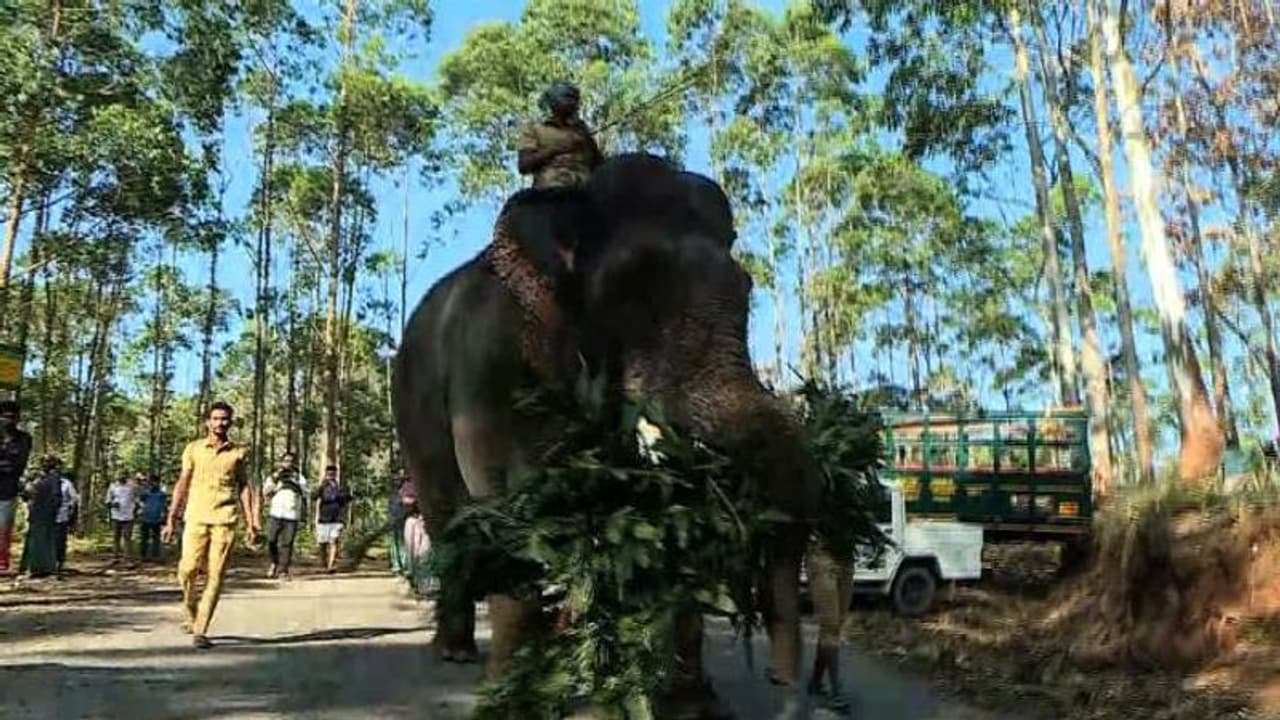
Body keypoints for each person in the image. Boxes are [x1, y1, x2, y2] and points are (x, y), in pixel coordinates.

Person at [163, 400, 257, 650]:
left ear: (231, 422)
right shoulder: (194, 449)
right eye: (215, 418)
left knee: (216, 575)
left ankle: (201, 630)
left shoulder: (238, 453)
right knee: (187, 570)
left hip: (225, 520)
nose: (220, 423)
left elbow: (244, 487)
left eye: (224, 419)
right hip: (195, 517)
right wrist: (171, 518)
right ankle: (190, 610)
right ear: (208, 422)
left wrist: (251, 522)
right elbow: (182, 483)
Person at [516, 81, 603, 189]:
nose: (572, 103)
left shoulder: (581, 130)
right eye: (567, 97)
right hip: (550, 188)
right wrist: (556, 149)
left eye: (575, 99)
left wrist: (586, 138)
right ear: (554, 101)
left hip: (584, 188)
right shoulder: (535, 129)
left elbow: (599, 165)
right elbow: (524, 165)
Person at [262, 450, 307, 580]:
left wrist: (295, 484)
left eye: (291, 461)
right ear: (281, 462)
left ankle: (283, 571)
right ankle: (274, 562)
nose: (288, 463)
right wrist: (277, 483)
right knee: (271, 540)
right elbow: (265, 492)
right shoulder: (274, 476)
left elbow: (305, 493)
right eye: (286, 461)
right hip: (275, 512)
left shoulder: (299, 477)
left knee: (287, 543)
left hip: (291, 514)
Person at [0, 399, 33, 574]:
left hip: (8, 489)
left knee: (4, 526)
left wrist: (7, 466)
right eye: (5, 416)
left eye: (12, 417)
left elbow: (19, 465)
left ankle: (2, 561)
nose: (9, 420)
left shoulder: (24, 439)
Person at [19, 455, 62, 578]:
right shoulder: (41, 478)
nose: (44, 464)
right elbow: (28, 494)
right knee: (35, 538)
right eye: (43, 462)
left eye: (47, 462)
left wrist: (53, 511)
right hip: (37, 513)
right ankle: (32, 566)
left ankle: (42, 567)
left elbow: (56, 497)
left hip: (45, 514)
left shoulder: (53, 478)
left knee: (42, 539)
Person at [313, 465, 350, 574]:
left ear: (336, 474)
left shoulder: (340, 487)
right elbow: (314, 496)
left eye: (333, 474)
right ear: (326, 474)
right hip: (324, 518)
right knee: (323, 542)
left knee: (334, 540)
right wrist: (321, 487)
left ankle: (331, 564)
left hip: (336, 518)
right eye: (329, 474)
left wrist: (342, 497)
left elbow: (346, 499)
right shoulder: (322, 486)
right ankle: (323, 563)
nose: (331, 475)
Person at [105, 474, 139, 561]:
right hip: (116, 515)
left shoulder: (132, 486)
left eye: (123, 477)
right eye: (119, 477)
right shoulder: (113, 486)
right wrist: (112, 504)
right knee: (116, 536)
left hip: (128, 516)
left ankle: (127, 557)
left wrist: (135, 511)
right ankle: (115, 556)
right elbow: (108, 501)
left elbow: (137, 499)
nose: (121, 478)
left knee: (127, 537)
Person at [387, 474, 414, 577]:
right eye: (395, 480)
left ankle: (403, 565)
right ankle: (396, 566)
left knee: (403, 543)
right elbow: (390, 508)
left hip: (403, 520)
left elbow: (408, 504)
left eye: (398, 480)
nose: (397, 482)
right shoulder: (393, 494)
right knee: (395, 543)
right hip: (394, 521)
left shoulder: (405, 491)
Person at [54, 467, 80, 574]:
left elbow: (74, 498)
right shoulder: (44, 482)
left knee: (60, 540)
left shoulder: (66, 484)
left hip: (62, 516)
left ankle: (60, 562)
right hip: (47, 518)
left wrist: (69, 509)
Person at [137, 476, 168, 562]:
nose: (153, 484)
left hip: (157, 519)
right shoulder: (145, 493)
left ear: (158, 483)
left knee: (156, 538)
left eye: (155, 482)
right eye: (151, 482)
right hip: (145, 518)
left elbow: (164, 506)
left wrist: (164, 516)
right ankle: (143, 555)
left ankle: (155, 555)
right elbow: (139, 501)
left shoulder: (162, 495)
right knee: (144, 538)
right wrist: (141, 510)